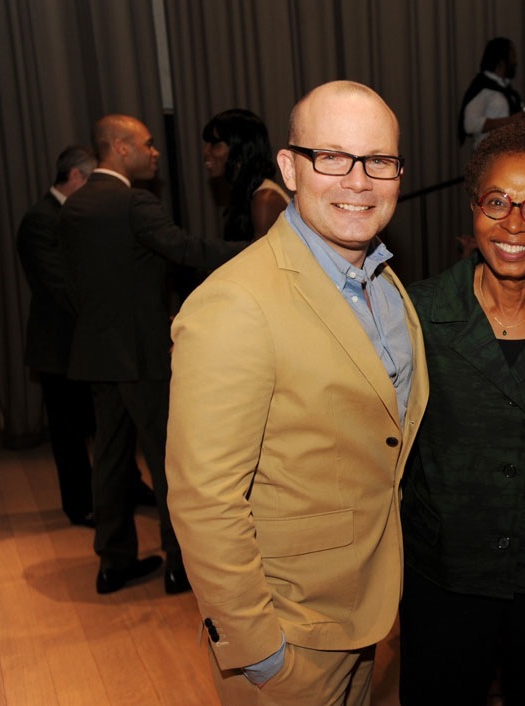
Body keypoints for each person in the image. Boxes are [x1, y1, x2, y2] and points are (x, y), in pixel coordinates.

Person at [166, 80, 428, 705]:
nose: (358, 181)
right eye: (332, 156)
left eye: (379, 161)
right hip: (289, 634)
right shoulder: (235, 304)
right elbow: (205, 500)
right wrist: (260, 651)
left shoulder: (385, 284)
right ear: (289, 166)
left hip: (364, 611)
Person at [398, 120, 525, 706]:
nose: (514, 224)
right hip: (443, 579)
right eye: (498, 202)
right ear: (473, 209)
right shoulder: (418, 314)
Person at [57, 115, 244, 596]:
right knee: (169, 461)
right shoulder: (133, 203)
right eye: (146, 144)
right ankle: (180, 565)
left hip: (98, 354)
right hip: (141, 355)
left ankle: (112, 563)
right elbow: (189, 250)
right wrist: (262, 248)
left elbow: (74, 286)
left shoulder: (74, 208)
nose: (155, 152)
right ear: (120, 148)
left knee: (112, 460)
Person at [16, 145, 97, 527]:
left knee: (103, 424)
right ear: (77, 177)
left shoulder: (74, 214)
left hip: (83, 343)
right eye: (92, 179)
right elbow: (58, 286)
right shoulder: (40, 219)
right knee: (68, 435)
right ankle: (80, 506)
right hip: (58, 347)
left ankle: (124, 490)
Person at [201, 108, 289, 241]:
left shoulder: (265, 200)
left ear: (241, 149)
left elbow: (260, 261)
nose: (205, 151)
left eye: (215, 144)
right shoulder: (247, 194)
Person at [459, 37, 525, 147]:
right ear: (502, 59)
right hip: (489, 157)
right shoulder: (483, 87)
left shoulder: (508, 90)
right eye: (512, 56)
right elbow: (469, 124)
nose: (515, 61)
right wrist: (510, 121)